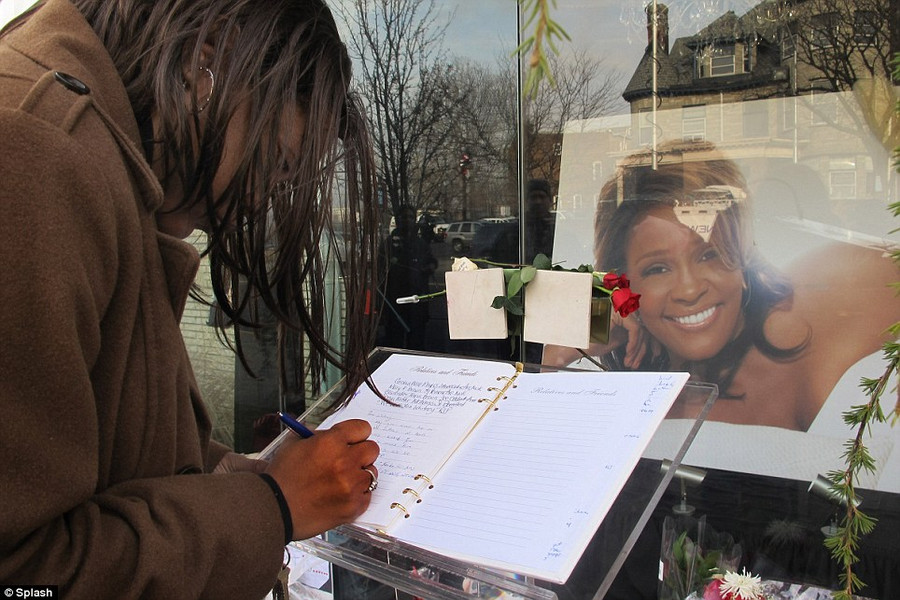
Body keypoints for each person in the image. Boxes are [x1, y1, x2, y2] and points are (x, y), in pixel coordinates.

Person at [0, 1, 382, 598]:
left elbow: (95, 437)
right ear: (205, 67)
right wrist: (271, 506)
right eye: (276, 164)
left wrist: (212, 472)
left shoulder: (98, 158)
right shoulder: (33, 153)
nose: (259, 202)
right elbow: (22, 575)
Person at [545, 142, 898, 432]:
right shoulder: (630, 394)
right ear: (624, 284)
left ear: (743, 259)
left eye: (709, 255)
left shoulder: (826, 296)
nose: (689, 289)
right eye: (658, 269)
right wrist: (577, 339)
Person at [378, 204, 437, 350]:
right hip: (395, 305)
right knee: (394, 345)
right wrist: (381, 307)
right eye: (403, 217)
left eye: (411, 217)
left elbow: (432, 262)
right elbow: (380, 275)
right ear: (397, 220)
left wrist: (428, 268)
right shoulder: (388, 245)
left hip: (417, 304)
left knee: (417, 345)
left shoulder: (420, 244)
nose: (407, 220)